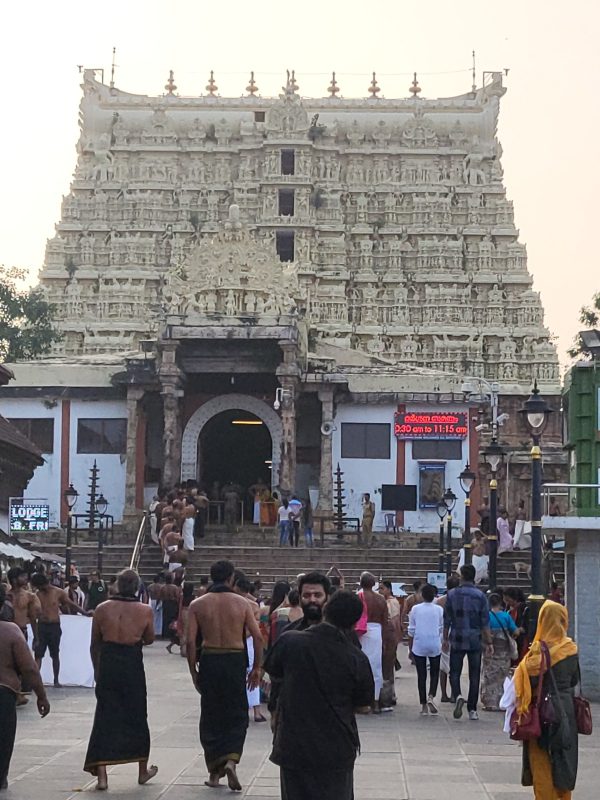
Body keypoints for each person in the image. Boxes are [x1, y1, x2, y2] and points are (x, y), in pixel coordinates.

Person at [264, 590, 374, 800]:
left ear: (326, 609)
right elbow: (363, 706)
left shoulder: (290, 641)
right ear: (354, 623)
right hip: (337, 746)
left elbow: (274, 673)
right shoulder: (357, 658)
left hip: (294, 743)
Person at [186, 560, 263, 792]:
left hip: (210, 658)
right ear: (231, 578)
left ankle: (214, 774)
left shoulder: (198, 604)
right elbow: (258, 637)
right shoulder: (243, 603)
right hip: (234, 659)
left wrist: (193, 671)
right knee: (237, 712)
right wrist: (257, 667)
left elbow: (190, 641)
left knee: (211, 714)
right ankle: (231, 761)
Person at [83, 569, 157, 791]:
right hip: (131, 664)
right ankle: (142, 771)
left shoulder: (102, 609)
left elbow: (94, 643)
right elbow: (150, 639)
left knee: (105, 716)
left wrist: (97, 670)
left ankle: (102, 777)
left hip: (108, 663)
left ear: (116, 586)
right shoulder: (144, 610)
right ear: (136, 588)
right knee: (137, 714)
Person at [514, 600, 579, 799]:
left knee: (541, 759)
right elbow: (575, 680)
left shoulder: (537, 653)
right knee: (563, 758)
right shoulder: (571, 650)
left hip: (542, 711)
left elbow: (528, 678)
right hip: (565, 710)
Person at [0, 584, 50, 791]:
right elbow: (29, 668)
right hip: (3, 692)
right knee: (3, 738)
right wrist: (41, 696)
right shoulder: (10, 630)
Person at [443, 564, 492, 721]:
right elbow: (485, 621)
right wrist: (489, 642)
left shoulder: (451, 594)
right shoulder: (480, 596)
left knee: (454, 671)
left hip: (457, 636)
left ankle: (457, 694)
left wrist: (445, 638)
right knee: (474, 674)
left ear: (462, 576)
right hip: (474, 637)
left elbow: (447, 620)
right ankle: (472, 709)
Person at [30, 573, 89, 687]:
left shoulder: (58, 592)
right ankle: (36, 681)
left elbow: (71, 604)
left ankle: (56, 680)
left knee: (55, 654)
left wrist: (84, 613)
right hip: (42, 626)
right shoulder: (37, 594)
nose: (41, 589)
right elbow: (32, 612)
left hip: (54, 626)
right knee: (38, 654)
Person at [233, 573, 267, 723]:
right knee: (251, 674)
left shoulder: (237, 603)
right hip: (247, 640)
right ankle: (257, 711)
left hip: (240, 640)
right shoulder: (253, 605)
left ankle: (248, 709)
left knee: (245, 675)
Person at [408, 583, 444, 715]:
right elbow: (441, 627)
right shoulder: (439, 609)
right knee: (434, 673)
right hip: (434, 643)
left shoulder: (415, 609)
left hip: (419, 644)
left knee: (421, 675)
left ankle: (423, 704)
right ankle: (431, 696)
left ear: (422, 595)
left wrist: (411, 648)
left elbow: (411, 630)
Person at [480, 593, 517, 711]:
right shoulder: (506, 616)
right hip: (504, 652)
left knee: (489, 676)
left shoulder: (486, 616)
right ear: (500, 603)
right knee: (503, 675)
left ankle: (490, 702)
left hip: (489, 650)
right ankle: (502, 700)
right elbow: (515, 630)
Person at [358, 572, 389, 711]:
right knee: (376, 667)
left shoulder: (357, 597)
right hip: (377, 631)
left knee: (359, 666)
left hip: (361, 631)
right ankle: (375, 701)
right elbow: (385, 621)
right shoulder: (381, 599)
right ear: (374, 584)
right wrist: (385, 640)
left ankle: (361, 701)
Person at [436, 575, 460, 702]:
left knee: (443, 666)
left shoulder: (440, 601)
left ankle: (444, 693)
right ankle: (454, 693)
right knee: (455, 664)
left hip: (442, 632)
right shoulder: (460, 599)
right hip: (456, 631)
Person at [504, 587, 530, 663]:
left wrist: (517, 629)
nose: (507, 603)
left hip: (521, 639)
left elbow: (526, 626)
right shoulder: (508, 609)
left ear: (514, 598)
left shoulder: (524, 609)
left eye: (508, 600)